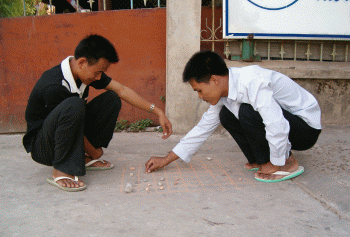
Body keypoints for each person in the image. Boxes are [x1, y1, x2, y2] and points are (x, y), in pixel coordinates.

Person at [23, 34, 172, 191]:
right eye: (98, 72)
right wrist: (94, 151)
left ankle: (85, 158)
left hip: (65, 132)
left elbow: (121, 90)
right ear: (82, 62)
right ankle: (61, 168)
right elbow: (68, 125)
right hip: (44, 147)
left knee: (112, 98)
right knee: (74, 104)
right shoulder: (53, 85)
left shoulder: (85, 72)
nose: (99, 77)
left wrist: (158, 112)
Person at [145, 50, 322, 182]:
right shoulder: (225, 93)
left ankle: (286, 162)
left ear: (214, 80)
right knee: (226, 115)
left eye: (199, 90)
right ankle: (259, 159)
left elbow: (277, 124)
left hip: (306, 128)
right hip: (288, 124)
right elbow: (203, 128)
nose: (200, 96)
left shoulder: (252, 81)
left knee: (247, 112)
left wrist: (277, 162)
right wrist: (166, 160)